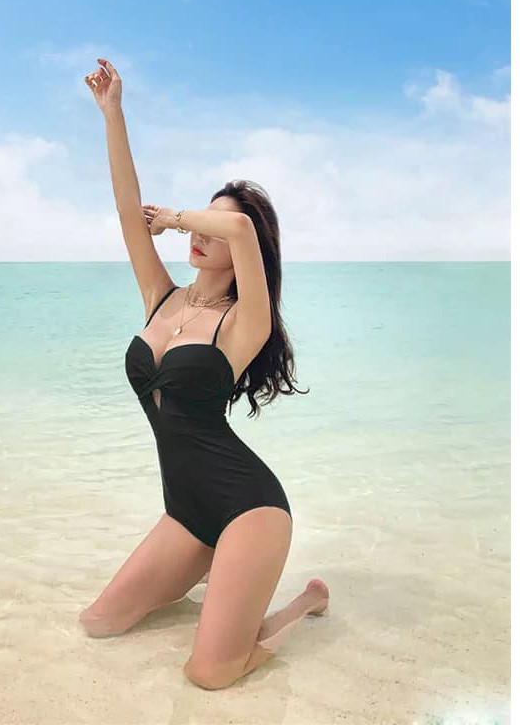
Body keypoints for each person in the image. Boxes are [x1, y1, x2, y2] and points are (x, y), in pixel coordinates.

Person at [77, 57, 330, 691]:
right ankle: (214, 578)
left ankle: (304, 602)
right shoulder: (161, 298)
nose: (201, 237)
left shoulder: (247, 323)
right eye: (200, 225)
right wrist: (113, 114)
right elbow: (127, 208)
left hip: (247, 507)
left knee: (210, 674)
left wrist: (179, 217)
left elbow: (240, 227)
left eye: (208, 228)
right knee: (100, 624)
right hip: (187, 510)